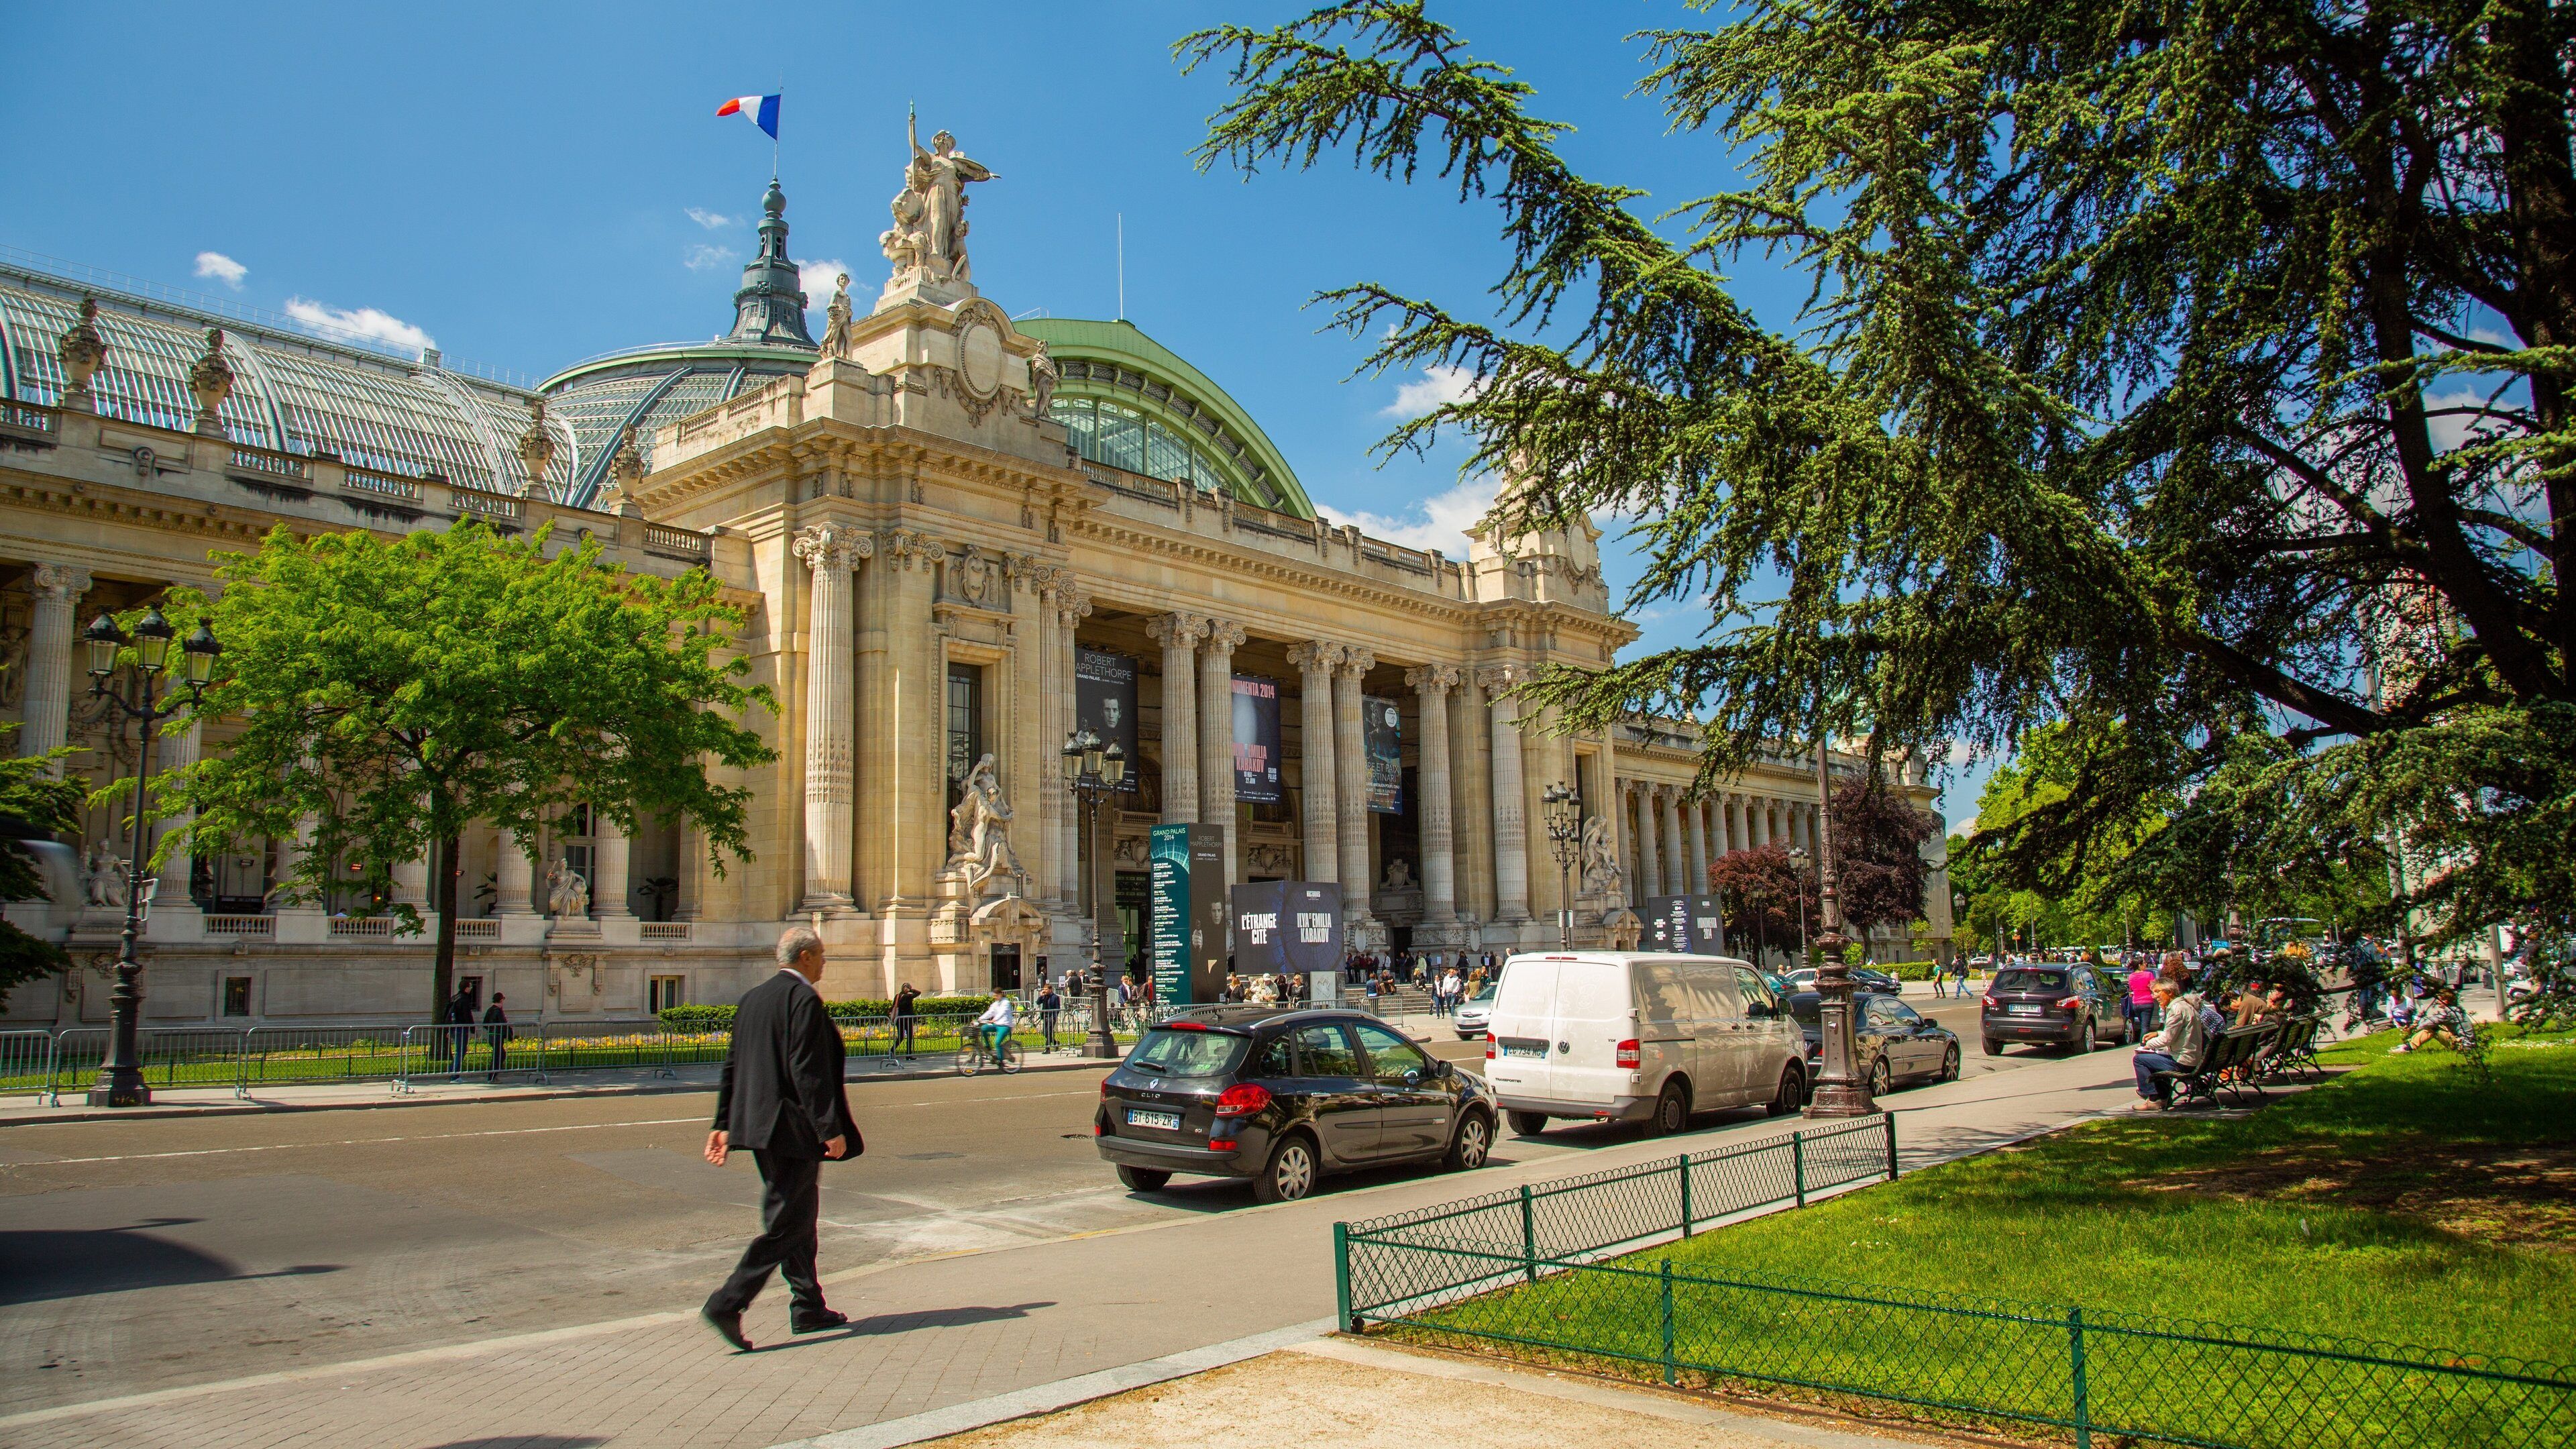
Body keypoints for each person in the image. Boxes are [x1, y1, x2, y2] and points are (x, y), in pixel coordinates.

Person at [702, 926, 859, 1351]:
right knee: (787, 1225)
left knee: (798, 1217)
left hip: (757, 1127)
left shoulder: (753, 999)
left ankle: (808, 1305)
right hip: (792, 1128)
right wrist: (831, 1129)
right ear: (805, 957)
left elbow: (733, 1065)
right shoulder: (803, 999)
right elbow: (807, 1070)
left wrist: (722, 1122)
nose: (826, 962)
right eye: (822, 955)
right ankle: (727, 1302)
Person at [2130, 976, 2209, 1111]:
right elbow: (2177, 1034)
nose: (2154, 996)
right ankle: (2163, 1097)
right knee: (2154, 1060)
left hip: (2184, 1061)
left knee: (2140, 1059)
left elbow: (2167, 1040)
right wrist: (2157, 1034)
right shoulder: (2185, 1005)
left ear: (2169, 992)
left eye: (2157, 992)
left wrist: (2147, 1045)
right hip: (2192, 1057)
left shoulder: (2176, 1009)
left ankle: (2153, 1098)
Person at [2392, 986, 2474, 1055]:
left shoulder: (2449, 1013)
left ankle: (2407, 1048)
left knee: (2432, 1028)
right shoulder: (2455, 1010)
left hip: (2462, 1046)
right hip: (2468, 1044)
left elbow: (2430, 1023)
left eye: (2439, 999)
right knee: (2435, 1026)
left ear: (2445, 1000)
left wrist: (2413, 1028)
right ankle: (2408, 1046)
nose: (2437, 1001)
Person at [974, 987, 1016, 1063]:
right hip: (997, 1025)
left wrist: (995, 1019)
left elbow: (1002, 1012)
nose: (995, 998)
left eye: (996, 996)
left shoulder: (1006, 1002)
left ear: (1000, 995)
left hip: (1005, 1026)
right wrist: (979, 1019)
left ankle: (1000, 1061)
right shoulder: (995, 1004)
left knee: (997, 1043)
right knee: (984, 1028)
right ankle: (988, 1046)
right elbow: (990, 1012)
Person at [446, 984, 478, 1075]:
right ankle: (454, 1075)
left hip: (454, 1027)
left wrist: (448, 1028)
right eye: (470, 987)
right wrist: (472, 1028)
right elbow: (467, 1015)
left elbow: (447, 1014)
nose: (471, 989)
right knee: (461, 1051)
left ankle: (452, 1071)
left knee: (460, 1050)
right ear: (466, 988)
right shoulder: (464, 999)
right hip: (461, 1028)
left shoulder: (454, 998)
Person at [2125, 957, 2157, 1042]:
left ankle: (2145, 1043)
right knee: (2145, 1026)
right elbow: (2154, 986)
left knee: (2143, 1024)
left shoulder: (2131, 976)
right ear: (2140, 965)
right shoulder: (2148, 975)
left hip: (2136, 1003)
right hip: (2147, 1002)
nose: (2146, 964)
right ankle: (2143, 1044)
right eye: (2144, 963)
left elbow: (2131, 988)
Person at [482, 993, 511, 1079]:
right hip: (498, 1035)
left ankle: (493, 1075)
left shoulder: (490, 1010)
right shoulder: (498, 1010)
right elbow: (503, 1024)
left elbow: (485, 1023)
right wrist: (509, 1035)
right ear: (501, 1000)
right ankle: (492, 1076)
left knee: (499, 1054)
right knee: (499, 1055)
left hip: (492, 1035)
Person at [891, 982, 921, 1059]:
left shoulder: (898, 996)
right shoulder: (908, 996)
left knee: (901, 1037)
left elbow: (893, 1006)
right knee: (909, 1036)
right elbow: (918, 993)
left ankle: (892, 1051)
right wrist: (911, 990)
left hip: (899, 1019)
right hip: (907, 1019)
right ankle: (908, 1055)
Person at [1036, 980, 1062, 1051]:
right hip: (1045, 1017)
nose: (1045, 991)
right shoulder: (1044, 997)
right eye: (1044, 989)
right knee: (1045, 1033)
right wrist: (1041, 996)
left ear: (1050, 990)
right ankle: (1055, 1042)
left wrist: (1054, 1017)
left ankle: (1047, 1049)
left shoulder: (1055, 997)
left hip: (1051, 1017)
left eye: (1046, 989)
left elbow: (1057, 1008)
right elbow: (1038, 1003)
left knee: (1049, 1032)